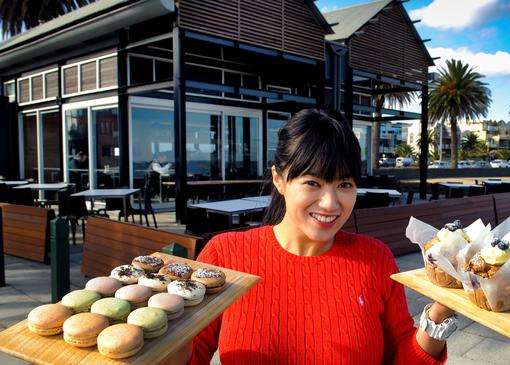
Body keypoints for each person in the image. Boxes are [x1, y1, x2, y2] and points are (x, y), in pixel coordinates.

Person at [182, 109, 455, 365]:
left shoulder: (375, 259)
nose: (330, 203)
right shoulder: (225, 256)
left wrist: (441, 311)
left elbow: (399, 357)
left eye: (344, 185)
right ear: (279, 179)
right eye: (313, 183)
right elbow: (189, 353)